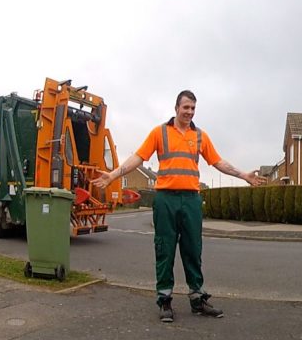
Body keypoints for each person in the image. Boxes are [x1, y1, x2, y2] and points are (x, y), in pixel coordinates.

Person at [94, 90, 266, 322]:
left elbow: (217, 162)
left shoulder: (200, 136)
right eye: (186, 107)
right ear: (176, 108)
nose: (189, 112)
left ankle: (197, 299)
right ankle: (165, 301)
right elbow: (138, 157)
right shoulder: (159, 133)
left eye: (193, 108)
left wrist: (243, 174)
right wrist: (113, 175)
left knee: (193, 249)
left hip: (191, 200)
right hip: (166, 199)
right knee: (164, 248)